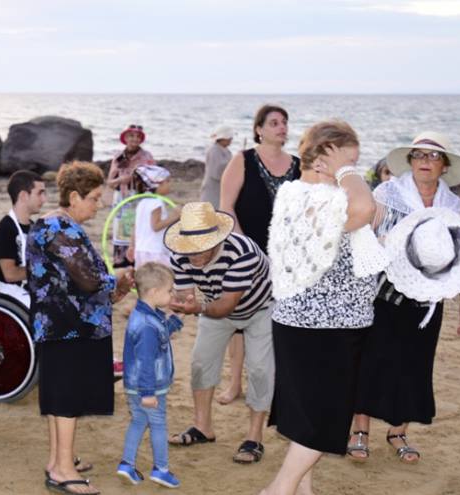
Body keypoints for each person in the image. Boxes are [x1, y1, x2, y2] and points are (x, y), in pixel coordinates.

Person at [261, 121, 381, 495]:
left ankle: (302, 490)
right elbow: (363, 207)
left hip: (311, 325)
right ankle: (278, 489)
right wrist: (345, 170)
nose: (354, 170)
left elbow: (362, 218)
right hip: (326, 328)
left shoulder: (298, 194)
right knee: (324, 418)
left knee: (306, 416)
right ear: (328, 152)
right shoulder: (314, 197)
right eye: (351, 159)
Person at [348, 132, 460, 464]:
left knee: (414, 364)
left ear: (444, 166)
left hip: (430, 297)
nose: (425, 162)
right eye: (419, 156)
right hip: (386, 291)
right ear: (410, 161)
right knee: (372, 359)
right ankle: (359, 431)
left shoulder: (452, 204)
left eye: (434, 157)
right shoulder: (388, 192)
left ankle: (398, 431)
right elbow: (365, 237)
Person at [28, 161, 134, 495]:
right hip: (67, 328)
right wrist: (117, 278)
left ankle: (58, 460)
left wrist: (113, 288)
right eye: (94, 198)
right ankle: (61, 469)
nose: (99, 204)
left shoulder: (58, 224)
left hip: (67, 325)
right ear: (74, 196)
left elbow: (77, 282)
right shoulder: (59, 227)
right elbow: (87, 280)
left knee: (62, 398)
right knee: (66, 399)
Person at [165, 202, 274, 465]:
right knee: (201, 362)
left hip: (262, 308)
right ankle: (203, 427)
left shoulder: (242, 252)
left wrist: (197, 307)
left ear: (215, 240)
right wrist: (181, 304)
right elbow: (186, 294)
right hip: (213, 305)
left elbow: (227, 306)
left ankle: (254, 437)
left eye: (200, 247)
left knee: (259, 369)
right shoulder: (180, 253)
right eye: (189, 248)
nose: (193, 256)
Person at [217, 105, 300, 407]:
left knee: (280, 320)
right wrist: (246, 251)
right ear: (259, 130)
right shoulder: (243, 160)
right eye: (274, 123)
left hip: (287, 259)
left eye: (285, 122)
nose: (282, 127)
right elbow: (225, 207)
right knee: (240, 320)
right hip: (245, 254)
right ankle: (235, 382)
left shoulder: (299, 166)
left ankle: (275, 383)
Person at [116, 262, 183, 489]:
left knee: (138, 421)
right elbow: (146, 360)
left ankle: (127, 464)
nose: (172, 294)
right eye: (169, 290)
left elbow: (160, 335)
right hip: (149, 386)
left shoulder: (147, 314)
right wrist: (148, 392)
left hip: (136, 385)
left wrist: (174, 321)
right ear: (154, 292)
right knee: (158, 425)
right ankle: (161, 470)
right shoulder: (147, 325)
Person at [0, 170, 46, 306]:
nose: (44, 199)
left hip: (29, 290)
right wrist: (45, 268)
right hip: (11, 296)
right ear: (23, 196)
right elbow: (10, 274)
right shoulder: (6, 229)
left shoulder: (34, 227)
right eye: (40, 193)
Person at [106, 124, 155, 268]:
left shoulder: (147, 157)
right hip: (120, 200)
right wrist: (121, 180)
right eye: (131, 136)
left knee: (137, 233)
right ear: (125, 138)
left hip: (138, 200)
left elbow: (153, 180)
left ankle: (136, 266)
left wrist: (135, 179)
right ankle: (120, 266)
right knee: (120, 235)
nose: (134, 139)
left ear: (141, 139)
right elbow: (110, 182)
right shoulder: (118, 157)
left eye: (137, 136)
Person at [127, 165, 176, 268]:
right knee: (162, 278)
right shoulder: (156, 202)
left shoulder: (142, 202)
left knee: (145, 279)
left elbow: (136, 227)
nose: (170, 184)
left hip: (140, 250)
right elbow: (156, 226)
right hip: (154, 250)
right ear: (158, 185)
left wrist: (132, 246)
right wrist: (175, 216)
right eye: (168, 181)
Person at [200, 125, 234, 207]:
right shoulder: (214, 151)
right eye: (229, 138)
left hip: (221, 190)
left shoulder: (226, 150)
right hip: (213, 189)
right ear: (223, 138)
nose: (231, 140)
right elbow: (216, 171)